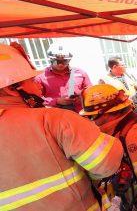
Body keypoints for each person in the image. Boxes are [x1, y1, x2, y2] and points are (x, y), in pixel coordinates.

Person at [0, 43, 123, 210]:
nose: (36, 86)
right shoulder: (55, 120)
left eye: (64, 61)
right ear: (12, 88)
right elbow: (106, 163)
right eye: (31, 81)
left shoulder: (79, 74)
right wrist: (56, 102)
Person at [80, 84, 137, 210]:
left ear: (108, 113)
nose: (92, 120)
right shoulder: (117, 128)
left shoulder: (134, 134)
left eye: (92, 116)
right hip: (129, 192)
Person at [35, 42, 92, 112]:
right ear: (50, 60)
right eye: (56, 61)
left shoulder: (80, 73)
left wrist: (81, 97)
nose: (60, 64)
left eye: (64, 61)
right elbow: (36, 99)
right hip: (56, 115)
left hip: (81, 113)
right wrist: (57, 101)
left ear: (69, 60)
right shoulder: (40, 77)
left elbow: (90, 91)